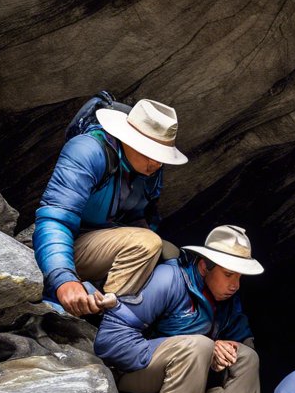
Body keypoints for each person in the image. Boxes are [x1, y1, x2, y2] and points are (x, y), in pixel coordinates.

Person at [93, 225, 264, 393]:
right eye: (229, 274)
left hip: (182, 389)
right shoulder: (169, 279)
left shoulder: (228, 299)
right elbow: (110, 342)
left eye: (240, 277)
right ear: (205, 266)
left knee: (246, 357)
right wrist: (203, 348)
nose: (235, 285)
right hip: (134, 378)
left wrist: (224, 351)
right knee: (199, 346)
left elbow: (242, 338)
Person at [35, 96, 187, 317]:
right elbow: (55, 220)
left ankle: (119, 310)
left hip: (103, 240)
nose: (157, 163)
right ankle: (113, 325)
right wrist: (64, 280)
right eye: (151, 152)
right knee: (146, 243)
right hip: (68, 242)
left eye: (161, 156)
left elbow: (138, 216)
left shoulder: (150, 171)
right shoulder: (87, 150)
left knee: (171, 254)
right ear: (128, 138)